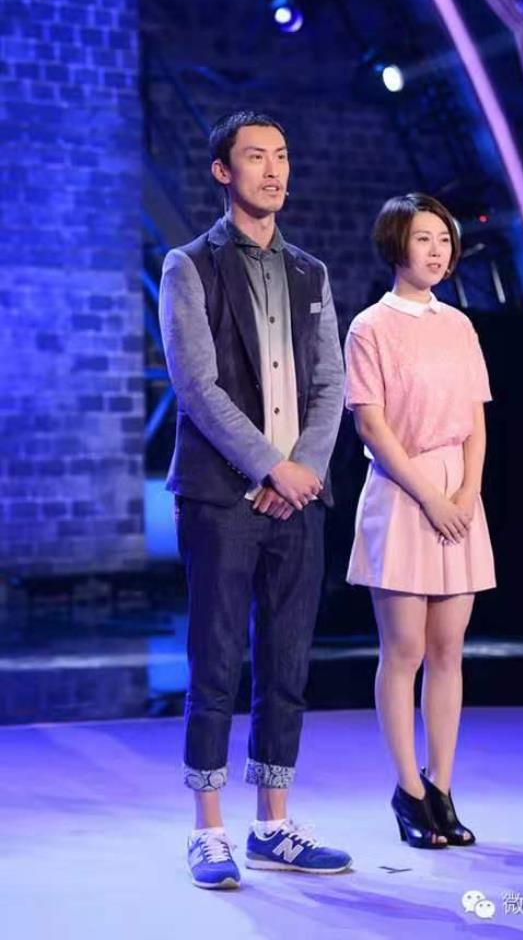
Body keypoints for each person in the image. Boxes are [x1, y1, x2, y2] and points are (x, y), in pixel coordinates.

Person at [159, 110, 352, 887]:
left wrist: (302, 469)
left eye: (281, 156)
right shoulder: (189, 266)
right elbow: (196, 387)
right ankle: (207, 830)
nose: (273, 171)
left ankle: (273, 823)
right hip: (221, 496)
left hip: (298, 500)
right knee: (215, 661)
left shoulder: (311, 272)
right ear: (222, 171)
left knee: (287, 662)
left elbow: (331, 382)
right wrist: (271, 467)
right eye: (255, 157)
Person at [344, 193, 496, 849]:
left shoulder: (459, 326)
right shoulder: (370, 327)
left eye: (444, 239)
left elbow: (476, 421)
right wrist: (431, 498)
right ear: (395, 244)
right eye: (423, 238)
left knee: (447, 651)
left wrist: (466, 494)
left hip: (459, 495)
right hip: (403, 494)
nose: (436, 251)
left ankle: (442, 787)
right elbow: (371, 426)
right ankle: (407, 791)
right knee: (404, 651)